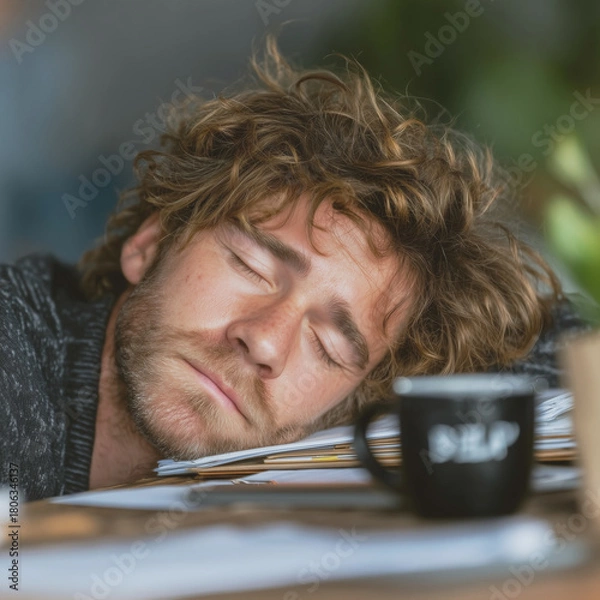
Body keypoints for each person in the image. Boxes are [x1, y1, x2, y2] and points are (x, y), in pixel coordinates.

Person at [0, 40, 580, 501]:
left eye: (329, 348)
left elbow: (563, 352)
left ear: (351, 397)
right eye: (251, 266)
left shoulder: (347, 411)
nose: (266, 340)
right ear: (149, 244)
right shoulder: (15, 358)